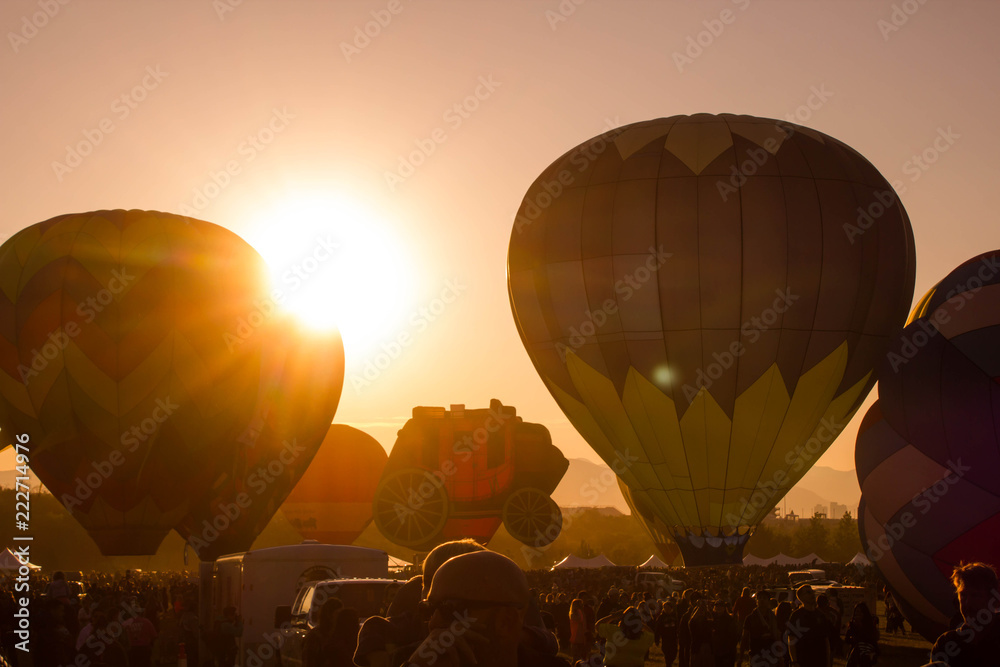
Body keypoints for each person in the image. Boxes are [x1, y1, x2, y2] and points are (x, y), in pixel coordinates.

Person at [405, 550, 568, 667]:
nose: (434, 622)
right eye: (428, 608)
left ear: (506, 621)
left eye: (450, 608)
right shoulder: (417, 658)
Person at [926, 562, 1000, 666]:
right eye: (963, 595)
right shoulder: (946, 642)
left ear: (992, 599)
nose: (968, 603)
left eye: (975, 595)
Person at [787, 585, 831, 667]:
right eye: (808, 592)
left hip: (820, 661)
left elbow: (826, 641)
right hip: (803, 661)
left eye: (812, 592)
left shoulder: (821, 616)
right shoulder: (796, 616)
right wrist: (794, 661)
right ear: (801, 598)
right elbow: (791, 640)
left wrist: (828, 662)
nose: (812, 595)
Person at [741, 592, 778, 667]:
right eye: (760, 598)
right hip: (756, 653)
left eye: (764, 598)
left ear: (768, 601)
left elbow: (777, 636)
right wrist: (741, 657)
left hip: (771, 652)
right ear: (756, 601)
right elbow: (744, 637)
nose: (762, 600)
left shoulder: (773, 617)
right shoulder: (750, 618)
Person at [843, 603, 878, 667]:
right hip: (855, 654)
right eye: (856, 612)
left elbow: (871, 639)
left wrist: (860, 626)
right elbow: (847, 640)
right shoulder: (852, 625)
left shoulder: (869, 626)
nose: (858, 614)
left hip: (866, 655)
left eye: (860, 612)